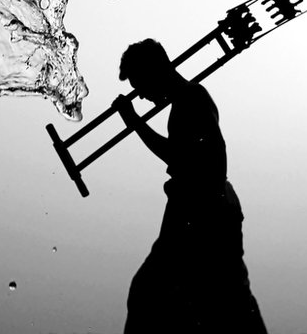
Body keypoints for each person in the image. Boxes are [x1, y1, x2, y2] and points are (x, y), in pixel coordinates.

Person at [112, 38, 268, 333]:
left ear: (153, 71)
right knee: (216, 303)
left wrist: (133, 122)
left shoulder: (191, 99)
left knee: (160, 295)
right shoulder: (187, 100)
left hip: (202, 215)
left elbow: (180, 156)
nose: (142, 96)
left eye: (140, 85)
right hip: (200, 211)